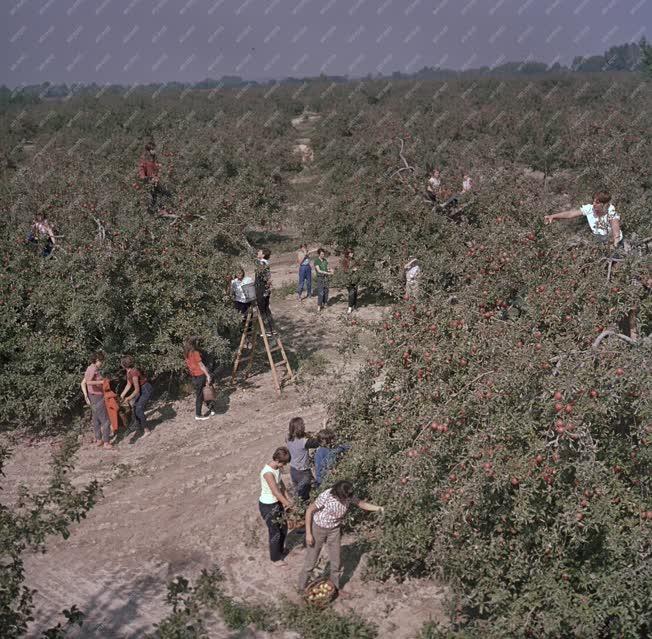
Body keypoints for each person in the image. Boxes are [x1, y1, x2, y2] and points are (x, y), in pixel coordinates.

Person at [297, 480, 384, 594]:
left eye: (347, 498)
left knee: (336, 561)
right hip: (318, 528)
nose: (346, 500)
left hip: (334, 530)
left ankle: (334, 588)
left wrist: (379, 508)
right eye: (343, 498)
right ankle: (302, 587)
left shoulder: (347, 495)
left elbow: (361, 503)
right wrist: (309, 534)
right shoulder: (326, 496)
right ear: (337, 494)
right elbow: (309, 511)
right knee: (311, 560)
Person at [543, 190, 623, 248]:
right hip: (600, 239)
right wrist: (553, 216)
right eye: (594, 201)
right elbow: (571, 214)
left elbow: (615, 230)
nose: (594, 204)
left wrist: (615, 244)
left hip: (614, 241)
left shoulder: (611, 212)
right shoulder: (590, 209)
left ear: (604, 204)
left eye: (597, 203)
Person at [259, 446, 292, 565]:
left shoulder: (276, 469)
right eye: (283, 463)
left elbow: (281, 486)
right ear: (277, 460)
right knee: (275, 532)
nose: (284, 466)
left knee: (283, 527)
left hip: (277, 503)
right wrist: (287, 504)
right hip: (268, 506)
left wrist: (289, 499)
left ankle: (280, 550)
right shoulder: (268, 473)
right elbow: (276, 491)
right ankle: (275, 558)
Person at [80, 351, 113, 449]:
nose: (102, 363)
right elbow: (89, 382)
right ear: (97, 360)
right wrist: (102, 381)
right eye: (101, 361)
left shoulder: (89, 368)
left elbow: (83, 382)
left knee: (96, 419)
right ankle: (106, 441)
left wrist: (86, 396)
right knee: (105, 420)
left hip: (92, 396)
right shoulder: (93, 369)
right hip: (97, 397)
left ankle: (99, 439)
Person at [286, 417, 320, 502]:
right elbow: (318, 442)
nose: (305, 425)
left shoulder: (287, 438)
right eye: (303, 424)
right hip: (303, 471)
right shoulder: (305, 442)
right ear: (300, 427)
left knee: (299, 493)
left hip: (293, 470)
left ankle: (300, 510)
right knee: (305, 496)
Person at [120, 356, 153, 437]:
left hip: (145, 389)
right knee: (135, 408)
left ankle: (146, 430)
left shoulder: (134, 372)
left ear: (124, 365)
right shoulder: (128, 371)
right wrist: (123, 394)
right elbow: (129, 384)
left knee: (139, 409)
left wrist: (129, 398)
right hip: (141, 390)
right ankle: (139, 427)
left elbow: (137, 389)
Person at [183, 336, 215, 421]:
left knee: (204, 392)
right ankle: (198, 414)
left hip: (194, 376)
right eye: (197, 342)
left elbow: (189, 365)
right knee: (201, 394)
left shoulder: (186, 352)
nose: (198, 343)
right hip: (200, 375)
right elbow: (201, 365)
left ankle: (211, 408)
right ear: (194, 343)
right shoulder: (195, 352)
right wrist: (208, 375)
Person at [138, 142, 168, 214]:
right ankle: (152, 212)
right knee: (153, 196)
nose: (155, 151)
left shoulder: (153, 157)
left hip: (155, 180)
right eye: (153, 149)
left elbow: (154, 166)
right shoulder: (144, 159)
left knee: (161, 194)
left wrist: (159, 166)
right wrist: (144, 177)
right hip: (149, 181)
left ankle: (159, 209)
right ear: (149, 150)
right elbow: (141, 168)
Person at [255, 248, 275, 336]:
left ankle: (266, 330)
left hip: (261, 288)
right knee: (267, 309)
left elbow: (263, 277)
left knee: (262, 309)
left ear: (263, 255)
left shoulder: (261, 263)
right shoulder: (266, 263)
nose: (257, 252)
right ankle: (272, 329)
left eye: (259, 252)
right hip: (266, 288)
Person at [340, 248, 359, 314]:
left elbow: (358, 266)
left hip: (355, 279)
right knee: (351, 293)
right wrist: (352, 270)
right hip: (348, 279)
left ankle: (355, 306)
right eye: (350, 253)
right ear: (347, 254)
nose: (352, 254)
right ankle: (350, 308)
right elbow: (345, 270)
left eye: (352, 253)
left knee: (355, 293)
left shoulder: (354, 260)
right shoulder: (345, 261)